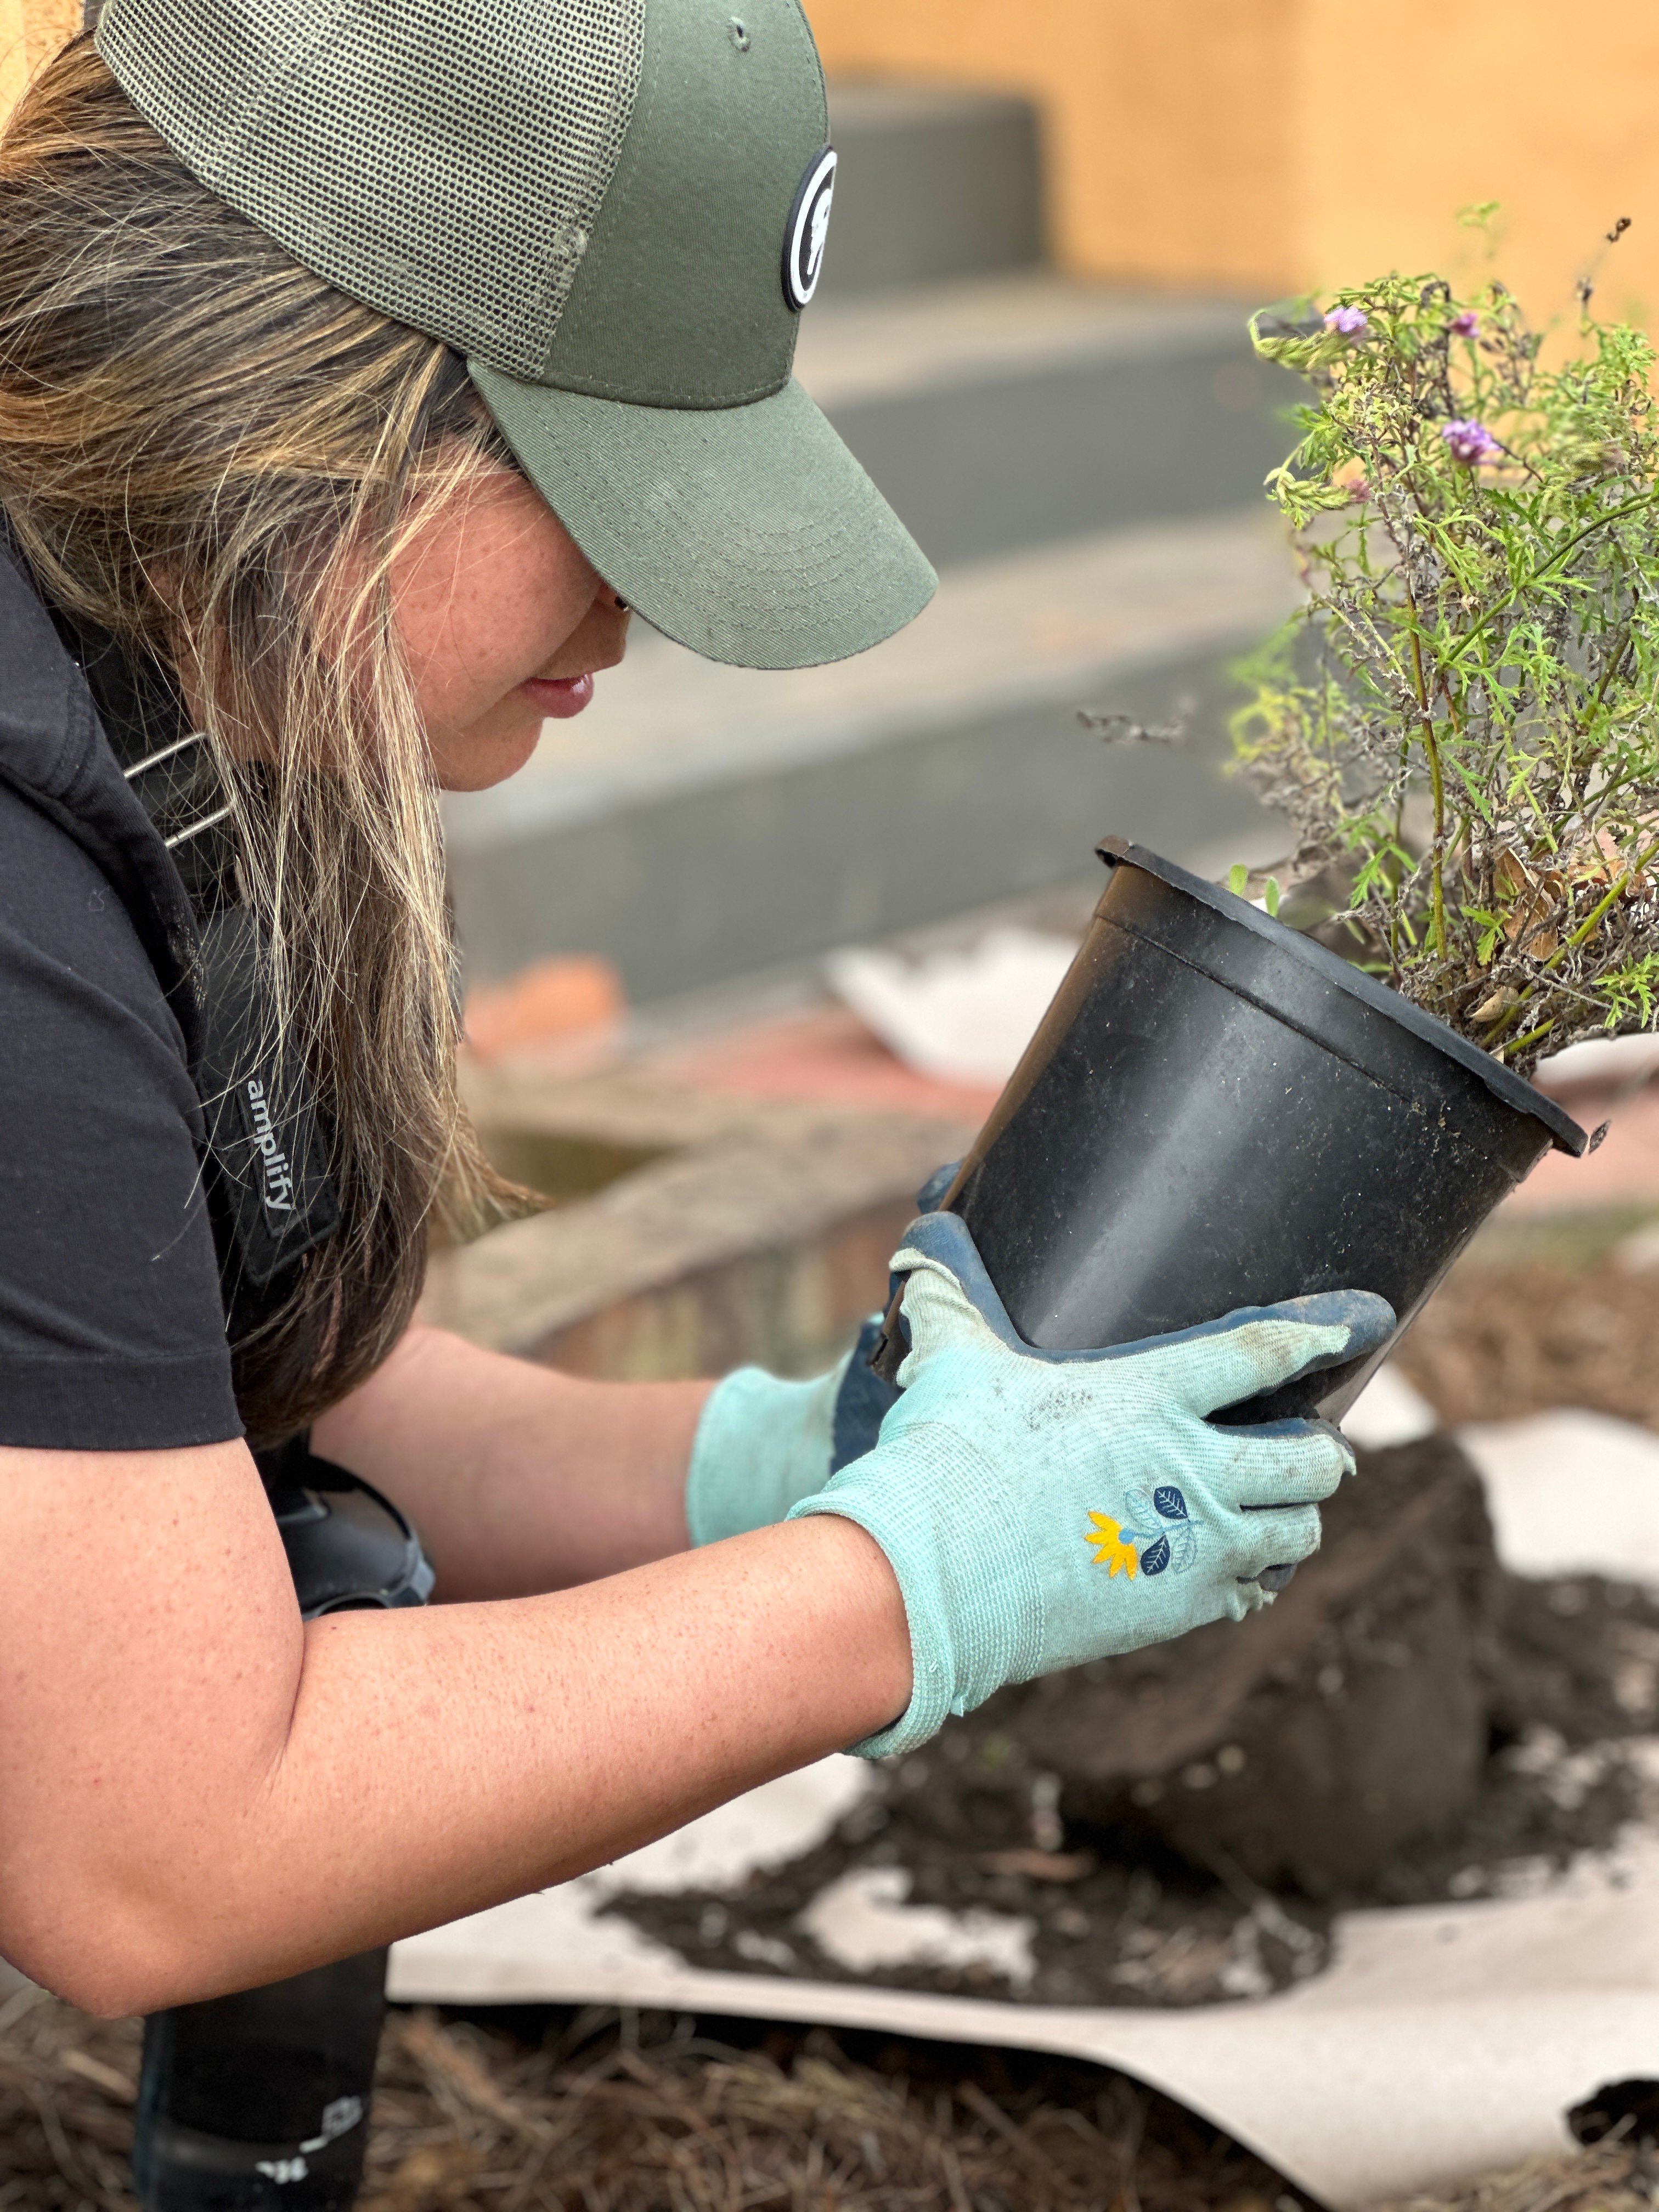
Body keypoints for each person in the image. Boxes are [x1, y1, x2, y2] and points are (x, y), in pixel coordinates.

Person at [0, 3, 1393, 2206]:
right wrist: (908, 1583)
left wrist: (787, 1467)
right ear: (297, 403)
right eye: (605, 486)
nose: (646, 605)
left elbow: (277, 1397)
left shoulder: (152, 698)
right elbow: (157, 1852)